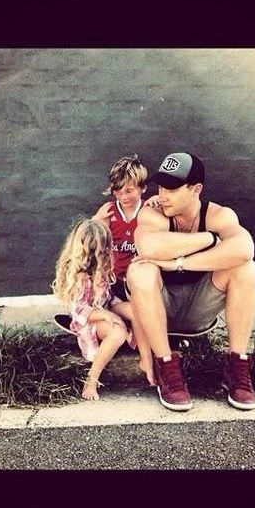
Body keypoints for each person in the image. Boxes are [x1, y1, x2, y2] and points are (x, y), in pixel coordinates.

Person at [125, 152, 255, 412]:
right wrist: (210, 239)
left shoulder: (218, 215)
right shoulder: (153, 214)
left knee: (245, 268)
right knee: (140, 271)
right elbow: (149, 246)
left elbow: (244, 249)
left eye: (172, 189)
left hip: (199, 309)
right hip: (157, 309)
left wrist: (178, 263)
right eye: (161, 187)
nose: (163, 195)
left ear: (196, 189)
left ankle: (237, 365)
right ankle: (166, 364)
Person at [51, 218, 149, 400]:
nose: (106, 254)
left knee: (136, 310)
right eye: (102, 250)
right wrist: (107, 316)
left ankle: (146, 360)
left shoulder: (101, 268)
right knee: (118, 332)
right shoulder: (80, 278)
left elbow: (107, 297)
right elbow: (79, 311)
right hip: (90, 320)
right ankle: (92, 379)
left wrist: (118, 310)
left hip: (106, 307)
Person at [91, 154, 158, 385]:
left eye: (129, 190)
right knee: (137, 311)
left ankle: (145, 354)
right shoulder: (109, 211)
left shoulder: (149, 211)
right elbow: (88, 246)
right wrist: (96, 222)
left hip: (140, 283)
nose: (123, 196)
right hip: (114, 287)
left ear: (143, 188)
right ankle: (143, 353)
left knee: (143, 306)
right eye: (118, 191)